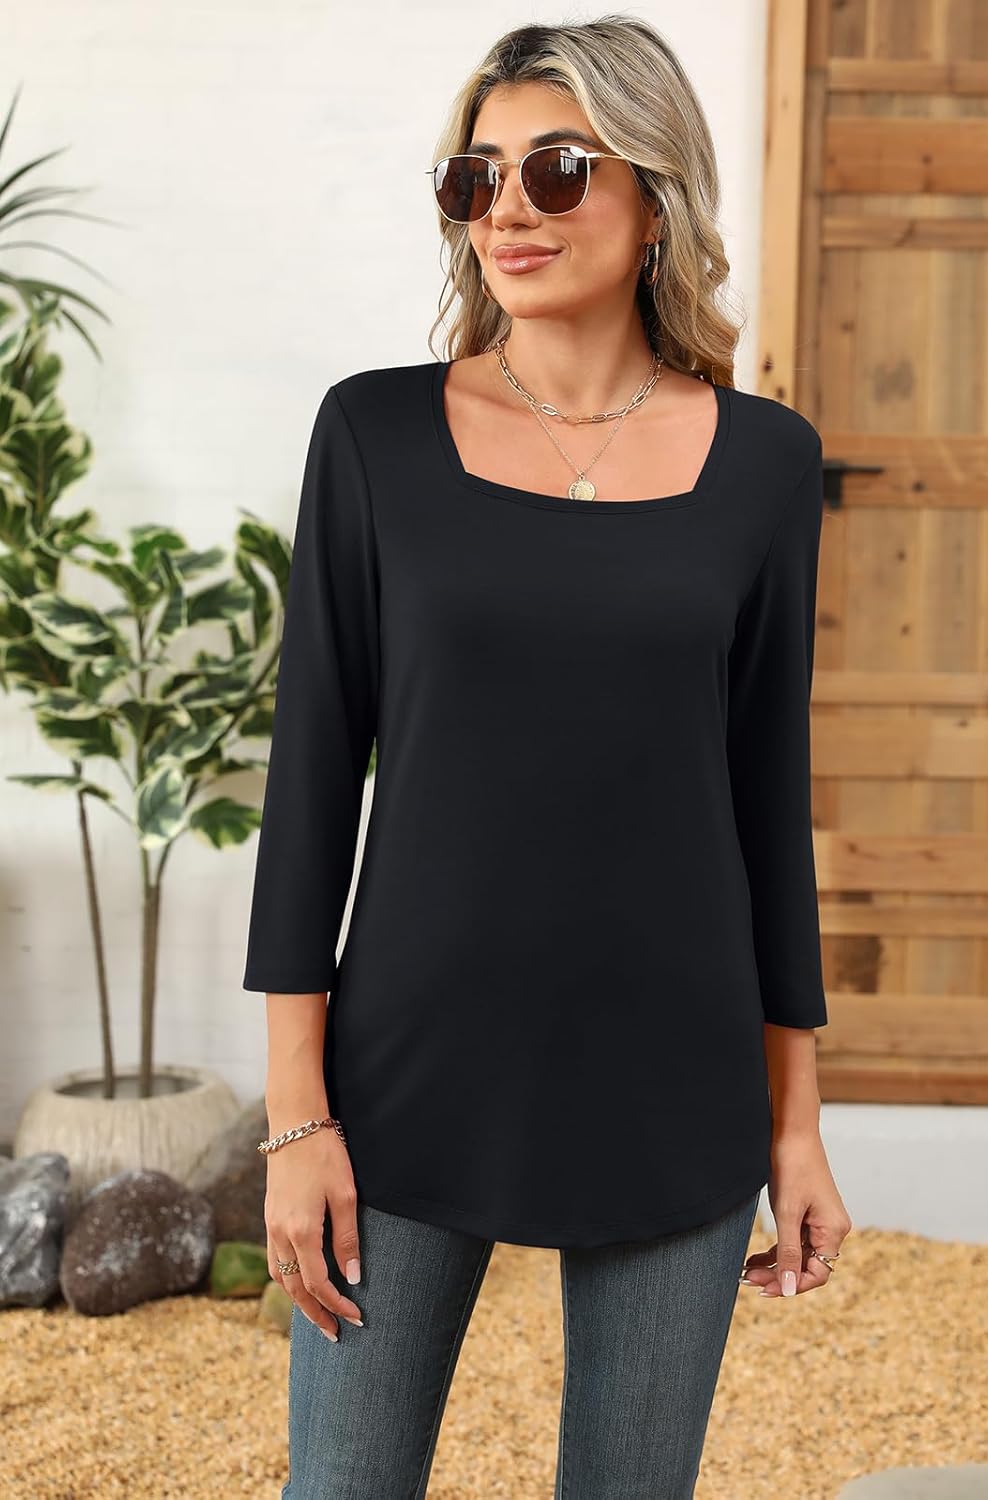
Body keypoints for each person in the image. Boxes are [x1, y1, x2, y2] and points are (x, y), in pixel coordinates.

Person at [243, 14, 852, 1498]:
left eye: (559, 170)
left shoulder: (765, 463)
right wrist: (296, 1118)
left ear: (655, 196)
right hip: (404, 1077)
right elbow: (311, 786)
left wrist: (796, 1123)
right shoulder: (375, 436)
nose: (509, 208)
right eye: (478, 177)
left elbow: (763, 805)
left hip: (674, 1078)